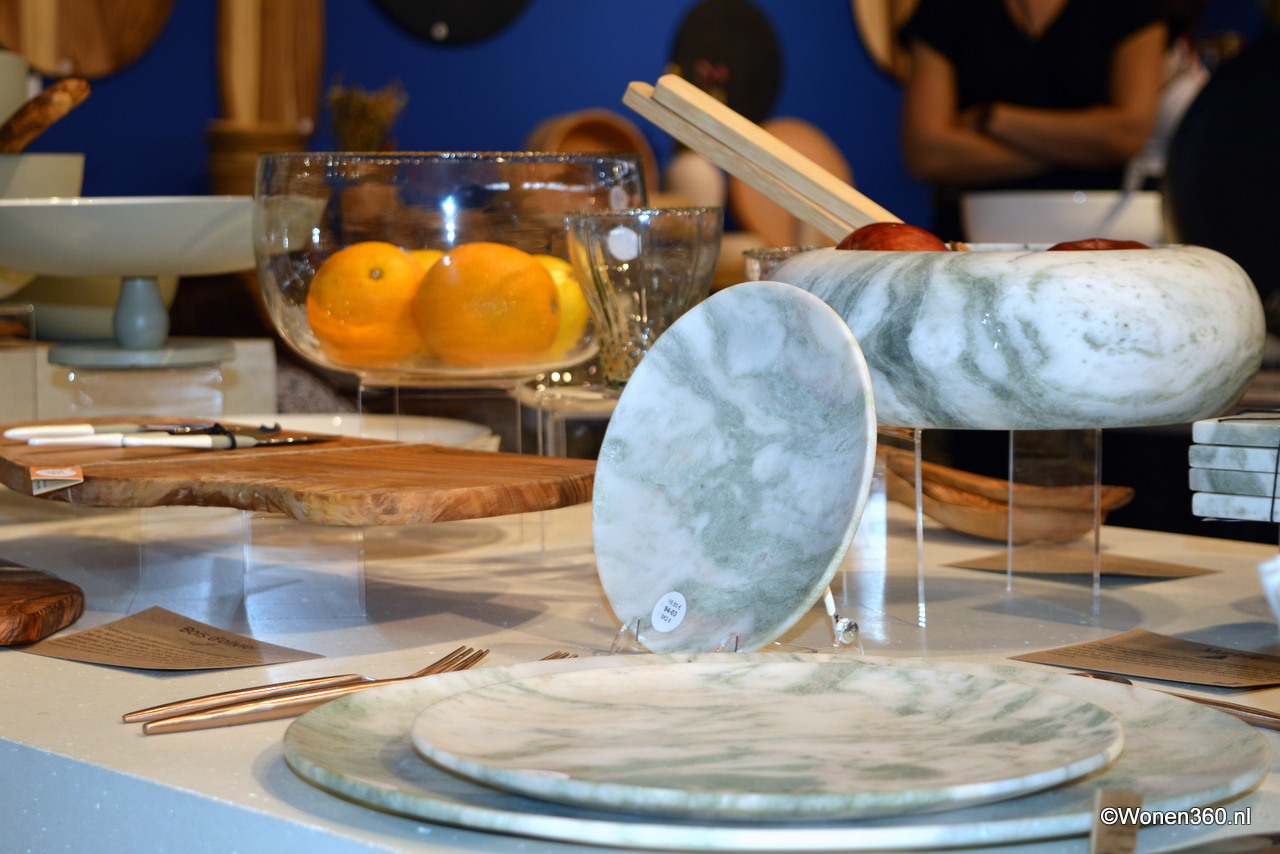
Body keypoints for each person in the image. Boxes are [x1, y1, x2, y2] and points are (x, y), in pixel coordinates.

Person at [898, 0, 1170, 240]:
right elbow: (927, 153)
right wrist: (1083, 146)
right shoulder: (948, 6)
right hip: (976, 236)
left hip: (1099, 234)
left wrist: (992, 118)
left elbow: (1126, 135)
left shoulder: (1131, 6)